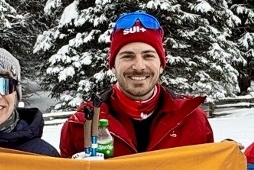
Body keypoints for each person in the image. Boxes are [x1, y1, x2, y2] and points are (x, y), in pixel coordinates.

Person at [58, 11, 213, 159]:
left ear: (161, 65)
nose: (139, 66)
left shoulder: (193, 120)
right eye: (127, 56)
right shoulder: (81, 125)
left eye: (148, 56)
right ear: (112, 65)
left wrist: (230, 159)